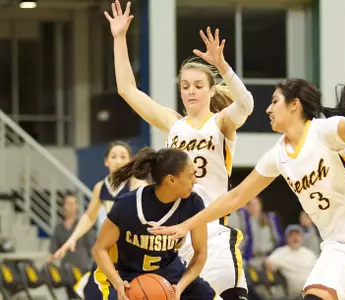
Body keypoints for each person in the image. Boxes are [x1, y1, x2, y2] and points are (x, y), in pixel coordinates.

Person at [149, 59, 345, 299]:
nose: (268, 109)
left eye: (274, 102)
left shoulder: (324, 131)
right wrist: (185, 224)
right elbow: (235, 198)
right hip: (336, 245)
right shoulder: (277, 156)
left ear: (294, 105)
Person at [106, 1, 253, 298]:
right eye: (185, 86)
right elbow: (127, 90)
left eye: (198, 85)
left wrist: (223, 66)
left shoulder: (222, 123)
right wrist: (119, 38)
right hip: (174, 241)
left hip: (211, 232)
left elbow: (247, 104)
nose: (190, 91)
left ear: (212, 90)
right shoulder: (173, 124)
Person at [88, 147, 214, 300]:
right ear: (171, 180)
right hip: (127, 277)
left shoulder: (193, 203)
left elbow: (200, 252)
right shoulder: (127, 204)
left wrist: (180, 286)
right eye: (190, 176)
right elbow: (99, 249)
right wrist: (117, 282)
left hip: (171, 275)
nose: (195, 180)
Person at [51, 141, 147, 297]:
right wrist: (72, 239)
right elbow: (89, 216)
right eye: (113, 156)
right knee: (92, 292)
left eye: (123, 156)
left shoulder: (136, 183)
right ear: (106, 161)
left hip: (133, 248)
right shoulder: (101, 187)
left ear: (130, 162)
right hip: (109, 249)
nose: (118, 160)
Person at [49, 195, 95, 299]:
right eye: (69, 203)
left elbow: (92, 246)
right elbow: (53, 249)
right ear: (64, 206)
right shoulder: (59, 228)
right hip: (67, 270)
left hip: (82, 268)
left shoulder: (84, 225)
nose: (72, 206)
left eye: (74, 203)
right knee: (71, 296)